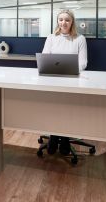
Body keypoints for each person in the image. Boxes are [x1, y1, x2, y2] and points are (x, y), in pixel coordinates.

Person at [40, 9, 90, 158]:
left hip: (72, 80)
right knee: (54, 108)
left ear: (72, 22)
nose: (63, 23)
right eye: (61, 19)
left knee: (68, 109)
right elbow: (44, 58)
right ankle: (54, 136)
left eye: (67, 20)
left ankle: (66, 138)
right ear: (57, 21)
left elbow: (83, 63)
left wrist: (69, 69)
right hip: (52, 79)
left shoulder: (80, 39)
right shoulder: (51, 38)